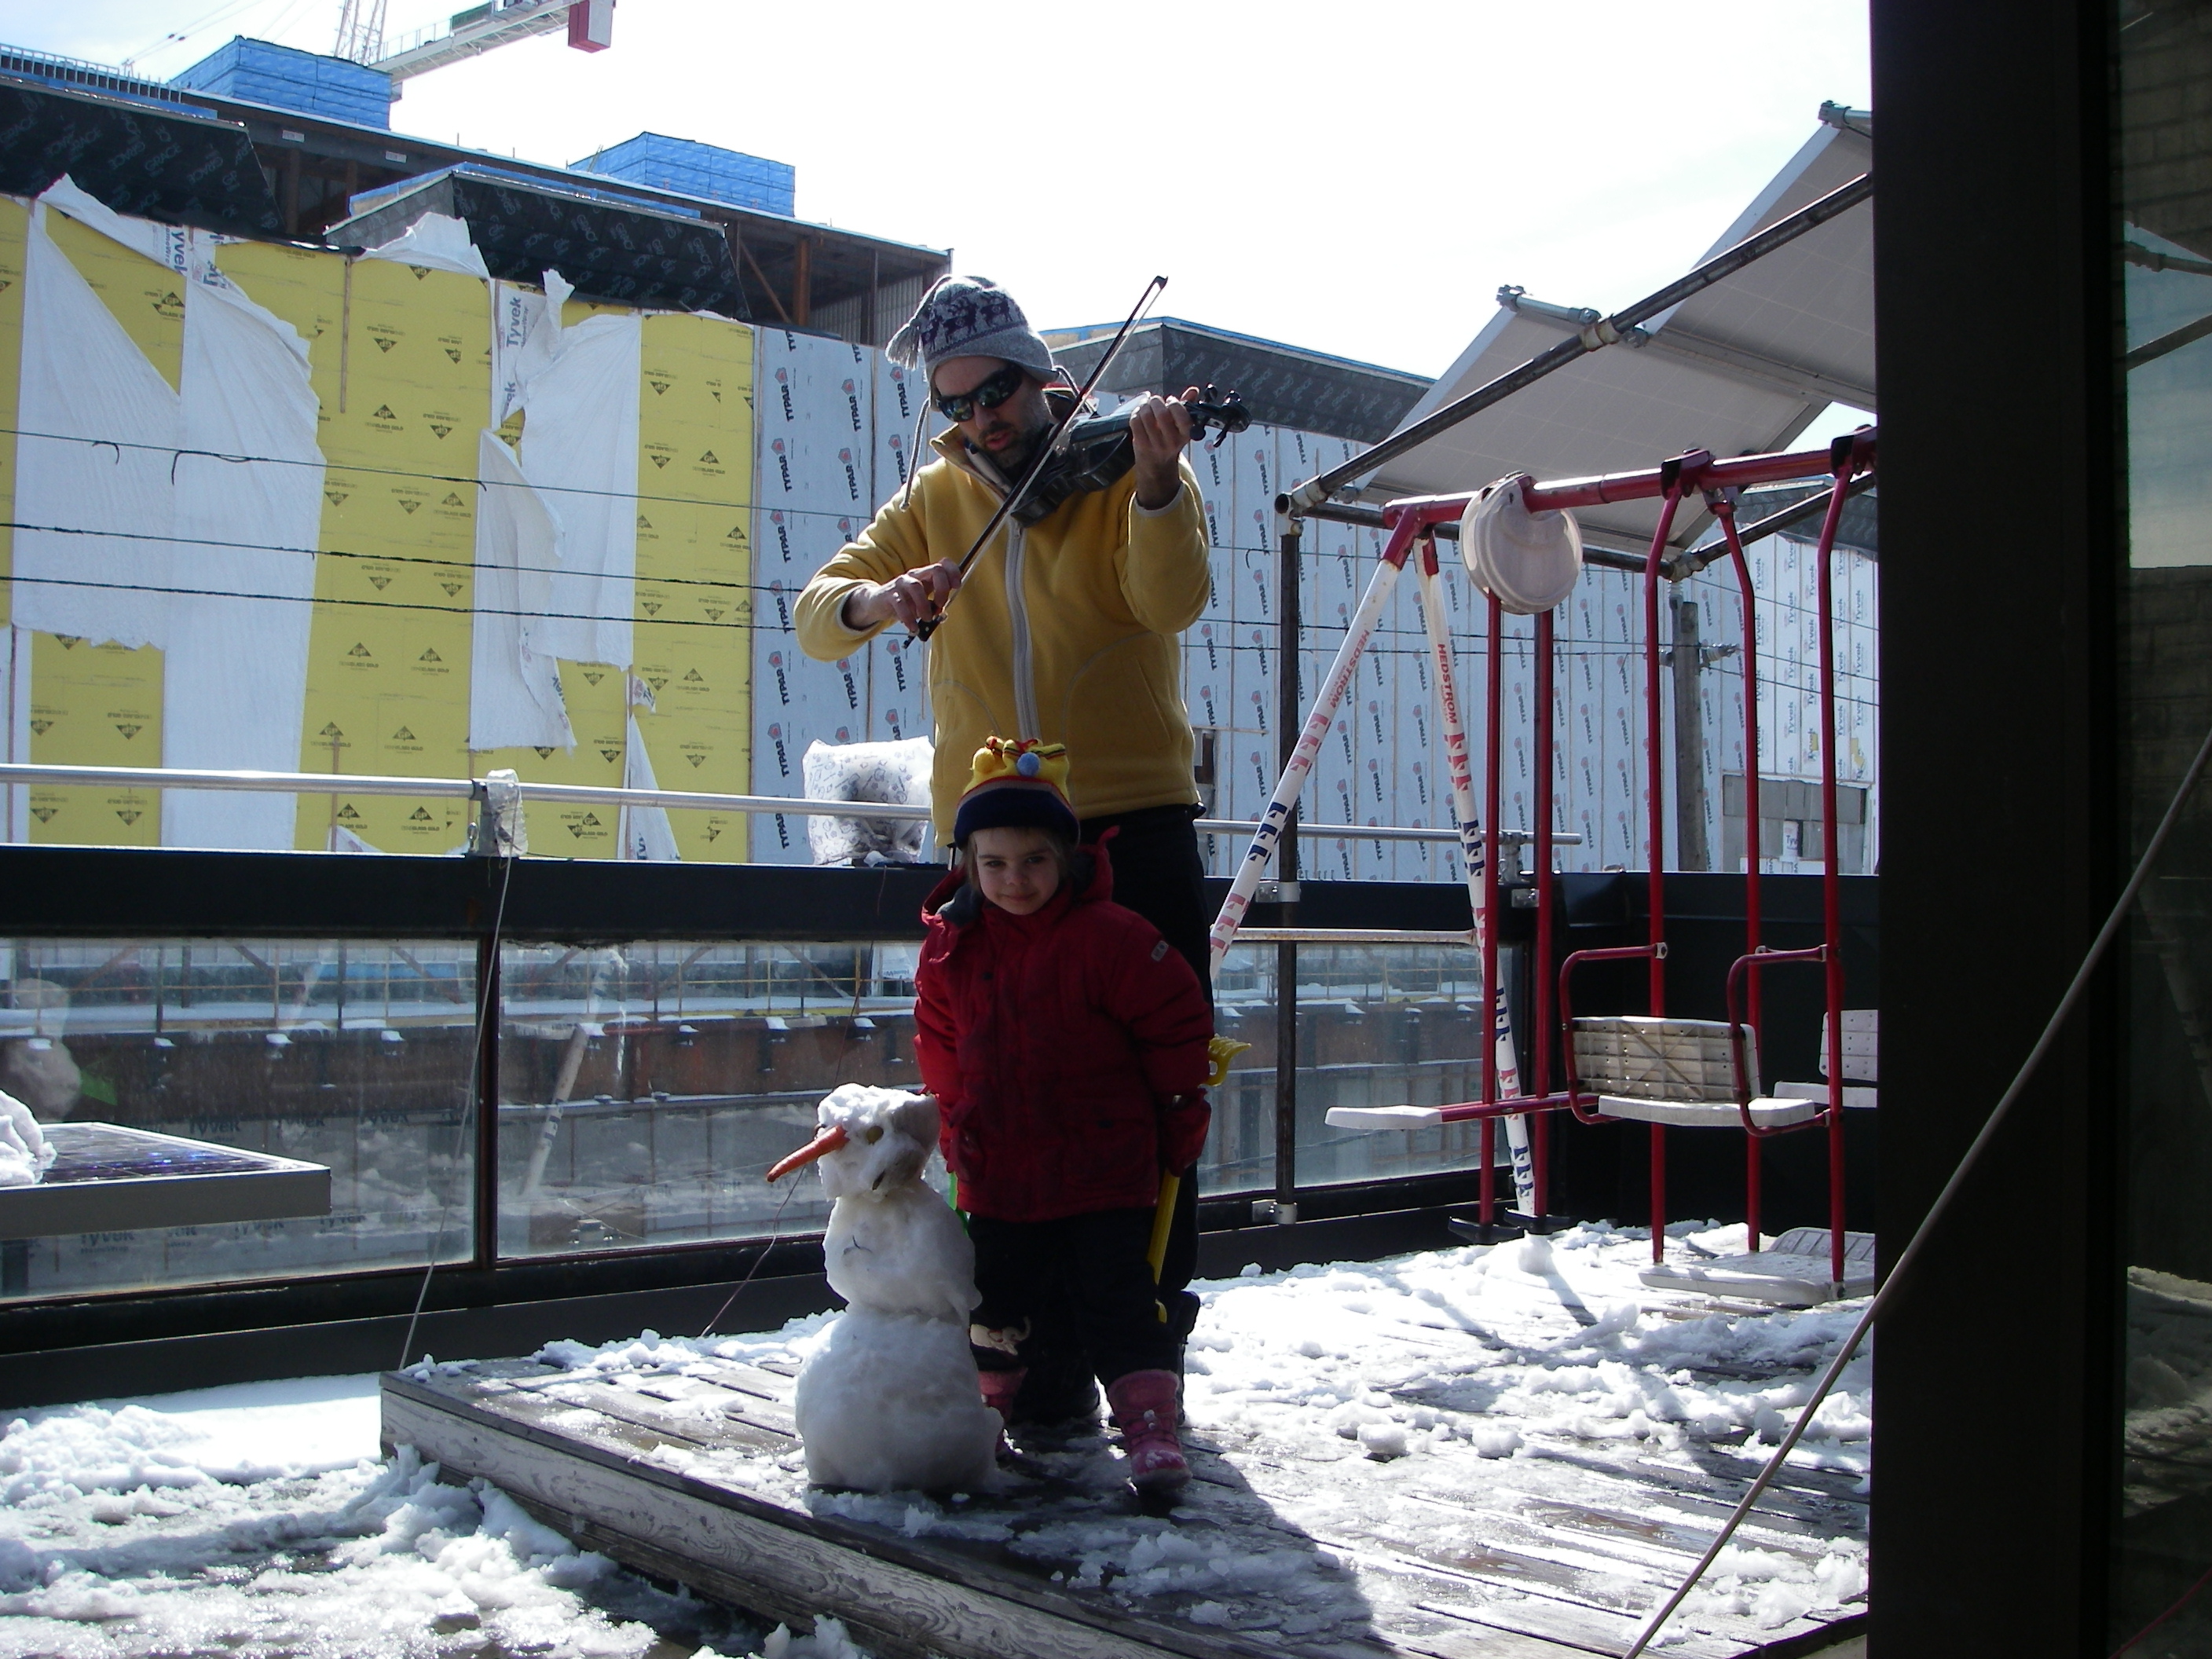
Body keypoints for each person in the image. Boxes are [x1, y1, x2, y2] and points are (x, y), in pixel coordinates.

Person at [795, 276, 1215, 1415]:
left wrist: (1158, 485)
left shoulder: (1124, 463)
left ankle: (1145, 1349)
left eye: (997, 392)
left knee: (1151, 1093)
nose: (982, 419)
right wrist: (886, 599)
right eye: (957, 403)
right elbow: (817, 612)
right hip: (989, 834)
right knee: (1004, 1092)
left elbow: (1170, 601)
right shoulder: (935, 496)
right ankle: (1033, 1357)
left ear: (1039, 377)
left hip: (1127, 816)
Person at [913, 738, 1212, 1494]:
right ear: (969, 866)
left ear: (1067, 859)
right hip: (1001, 1169)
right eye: (995, 864)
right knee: (995, 1305)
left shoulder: (1111, 938)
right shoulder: (953, 948)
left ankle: (1150, 1426)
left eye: (1034, 861)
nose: (1015, 879)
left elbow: (1174, 1022)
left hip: (1104, 1167)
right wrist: (952, 1119)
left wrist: (1181, 1105)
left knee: (1119, 1301)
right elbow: (940, 1040)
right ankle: (985, 1416)